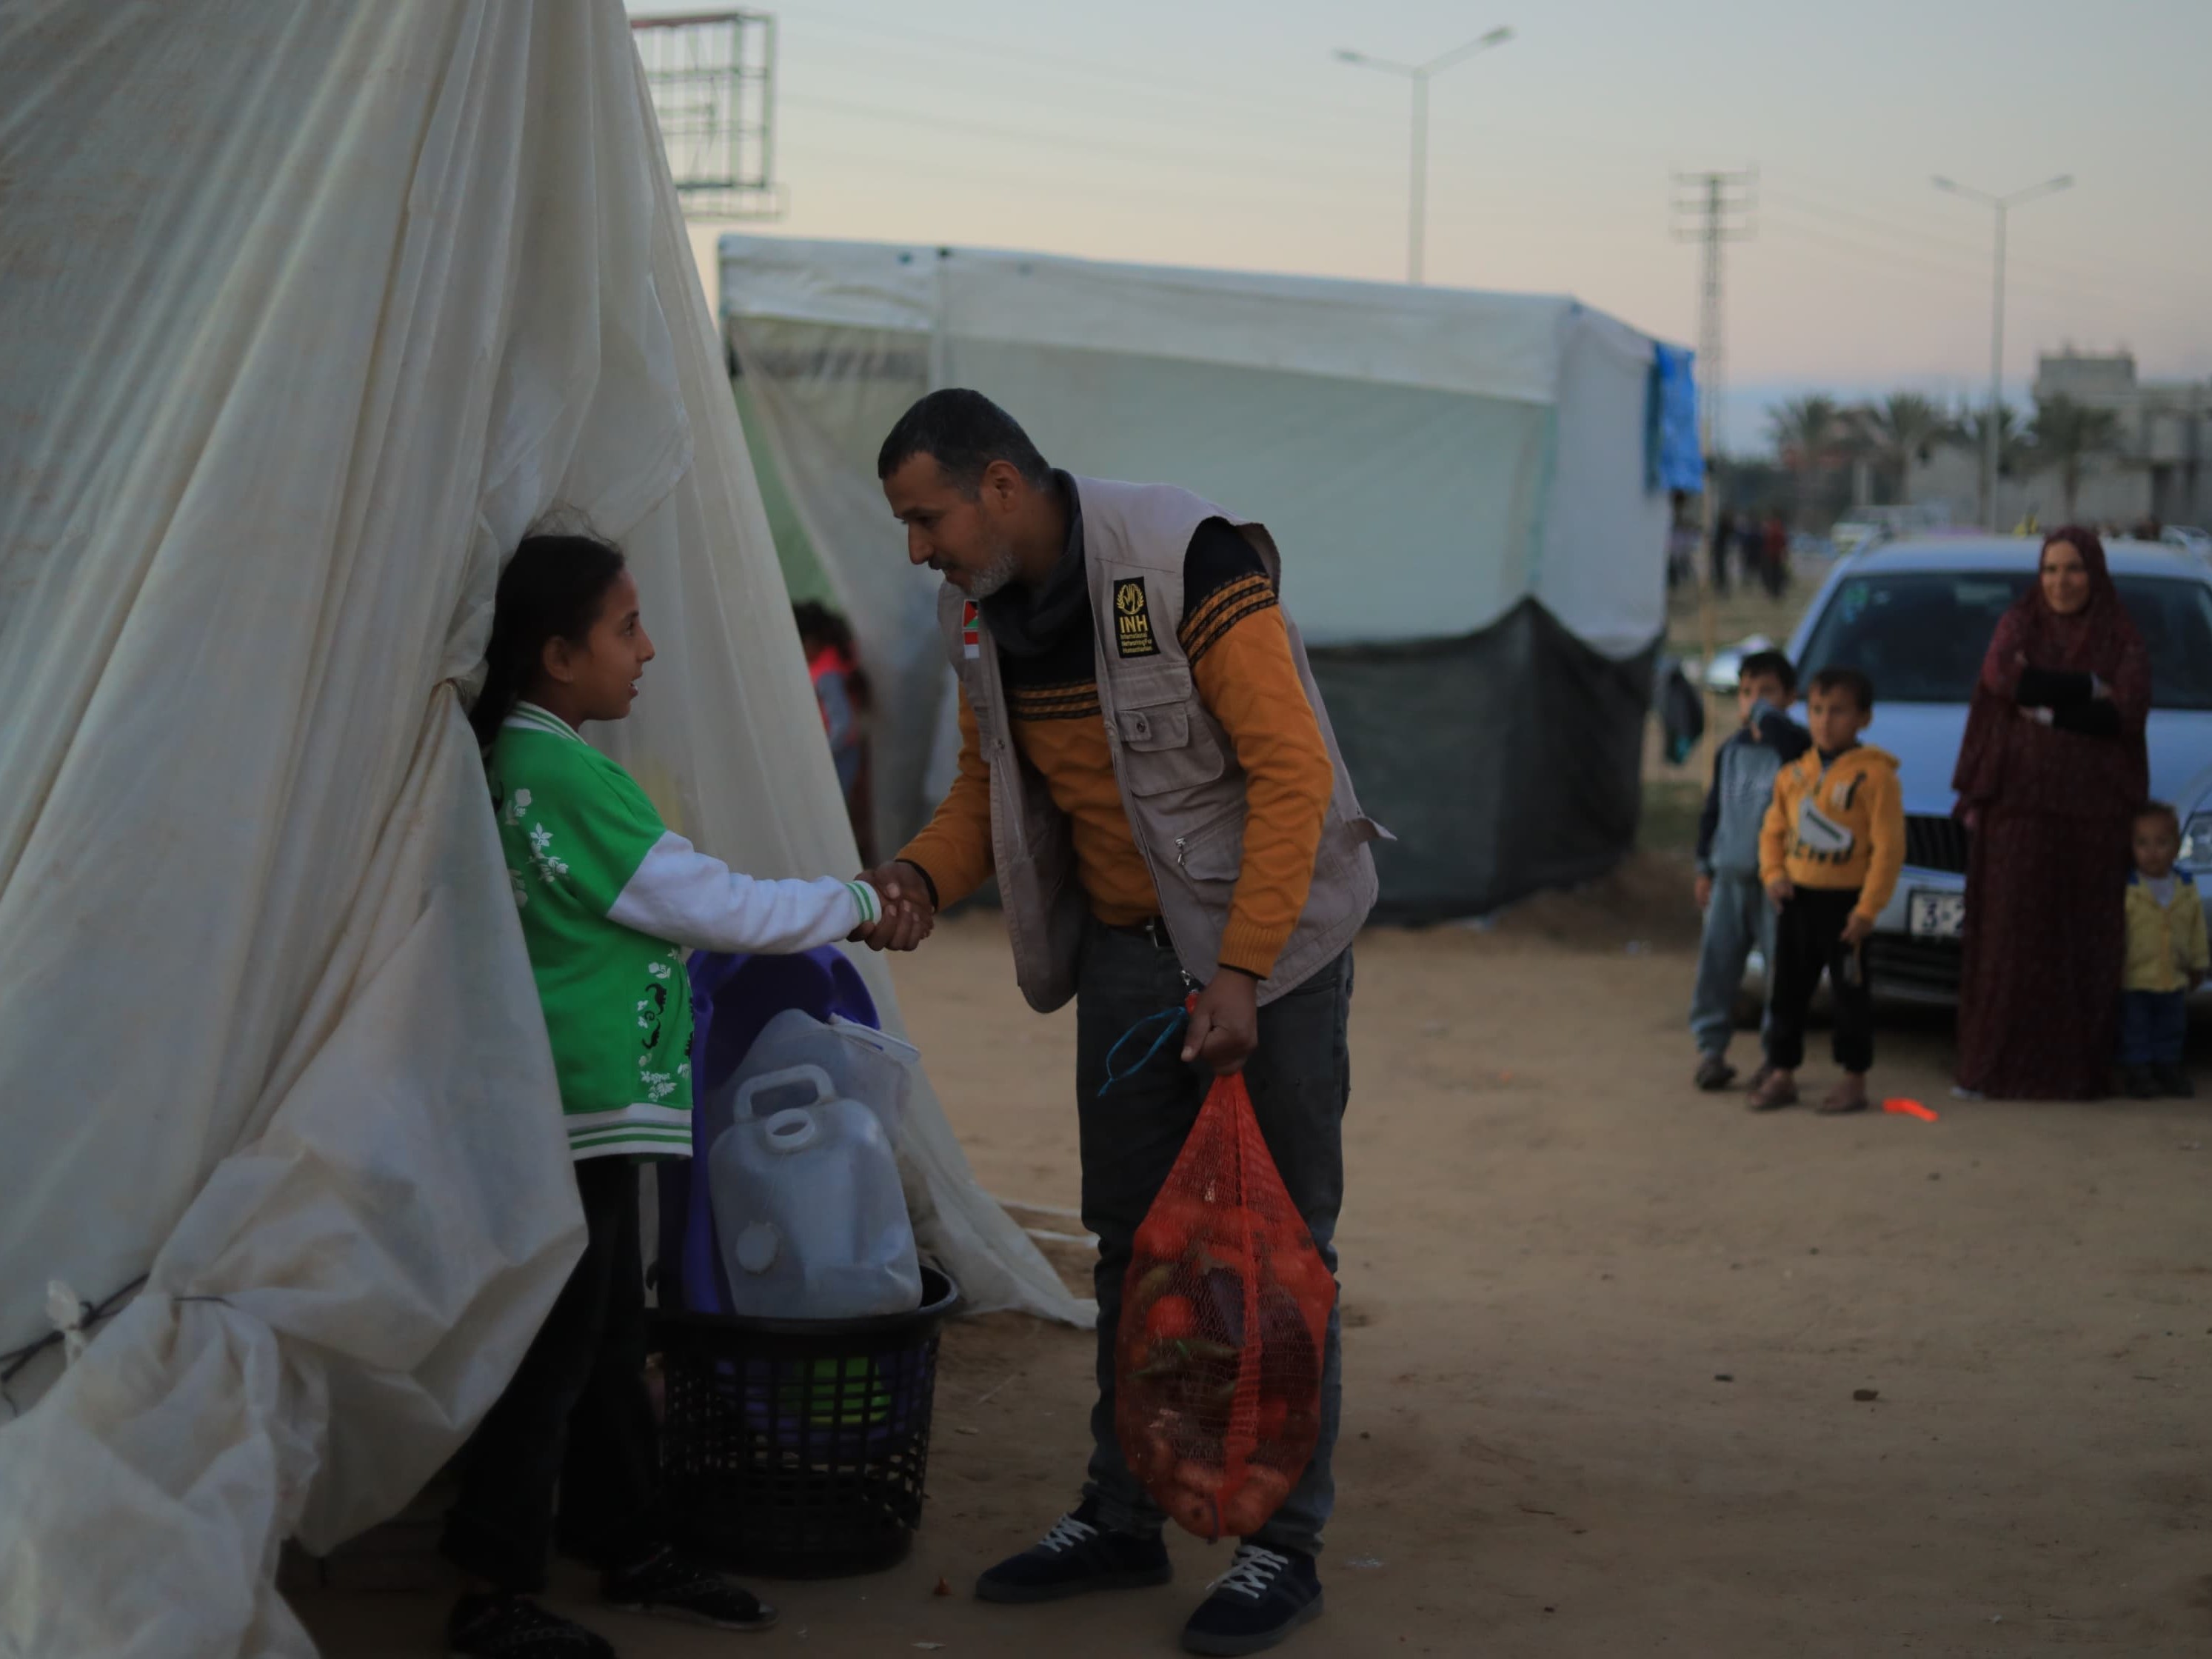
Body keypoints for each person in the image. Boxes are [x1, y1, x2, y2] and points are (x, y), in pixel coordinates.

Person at [852, 389, 1380, 1658]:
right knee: (1134, 1250)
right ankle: (1122, 1513)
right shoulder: (977, 613)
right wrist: (918, 874)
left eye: (924, 518)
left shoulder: (1184, 557)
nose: (916, 549)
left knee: (1274, 1250)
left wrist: (1245, 971)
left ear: (997, 486)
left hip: (1276, 956)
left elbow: (1291, 772)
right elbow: (989, 787)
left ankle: (1278, 1546)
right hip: (1131, 965)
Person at [444, 530, 928, 1659]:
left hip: (587, 1107)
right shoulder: (557, 770)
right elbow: (708, 904)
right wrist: (853, 901)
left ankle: (626, 1544)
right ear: (558, 655)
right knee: (561, 1352)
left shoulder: (521, 761)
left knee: (610, 1341)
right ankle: (491, 1592)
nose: (648, 649)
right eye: (625, 627)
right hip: (583, 1107)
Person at [1952, 528, 2150, 1101]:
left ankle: (2074, 1076)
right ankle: (1993, 1072)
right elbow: (2002, 678)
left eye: (2073, 569)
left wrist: (2044, 715)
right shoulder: (2018, 623)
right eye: (2050, 570)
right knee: (2010, 942)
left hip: (2094, 816)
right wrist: (2089, 686)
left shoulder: (2121, 634)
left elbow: (2126, 711)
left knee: (2082, 943)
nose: (2060, 582)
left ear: (2095, 573)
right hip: (2018, 812)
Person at [1747, 668, 1905, 1115]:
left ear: (1864, 719)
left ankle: (1854, 1079)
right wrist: (1774, 873)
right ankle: (1782, 1072)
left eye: (1838, 711)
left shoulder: (1877, 779)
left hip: (1846, 907)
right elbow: (1772, 830)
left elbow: (1889, 848)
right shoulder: (1794, 775)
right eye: (1816, 710)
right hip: (1798, 901)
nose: (1824, 721)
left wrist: (1869, 907)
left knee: (1850, 995)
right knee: (1788, 992)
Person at [1691, 650, 1811, 1091]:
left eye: (1767, 693)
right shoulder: (1731, 752)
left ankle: (1774, 1059)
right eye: (1746, 693)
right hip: (1729, 879)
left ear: (1789, 698)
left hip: (1776, 884)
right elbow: (1712, 814)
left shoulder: (1795, 748)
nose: (1754, 702)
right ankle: (1711, 1051)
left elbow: (1794, 749)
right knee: (1717, 966)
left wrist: (1769, 719)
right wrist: (1704, 867)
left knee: (1781, 975)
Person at [2119, 801, 2207, 1099]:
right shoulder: (2129, 890)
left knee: (2171, 1028)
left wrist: (2198, 964)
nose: (2152, 851)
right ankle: (2139, 1073)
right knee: (2136, 1030)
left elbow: (2196, 930)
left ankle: (2168, 1069)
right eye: (2142, 843)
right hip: (2136, 979)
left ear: (2176, 846)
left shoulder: (2185, 886)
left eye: (2161, 842)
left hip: (2173, 977)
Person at [794, 598, 874, 861]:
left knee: (833, 814)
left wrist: (822, 753)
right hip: (843, 752)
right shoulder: (833, 659)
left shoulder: (827, 673)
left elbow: (842, 724)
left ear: (812, 641)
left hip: (840, 755)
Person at [1709, 508, 1736, 594]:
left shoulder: (1724, 525)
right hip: (1722, 550)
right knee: (1721, 571)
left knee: (1722, 571)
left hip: (1721, 550)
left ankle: (1722, 588)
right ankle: (1721, 587)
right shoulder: (1725, 525)